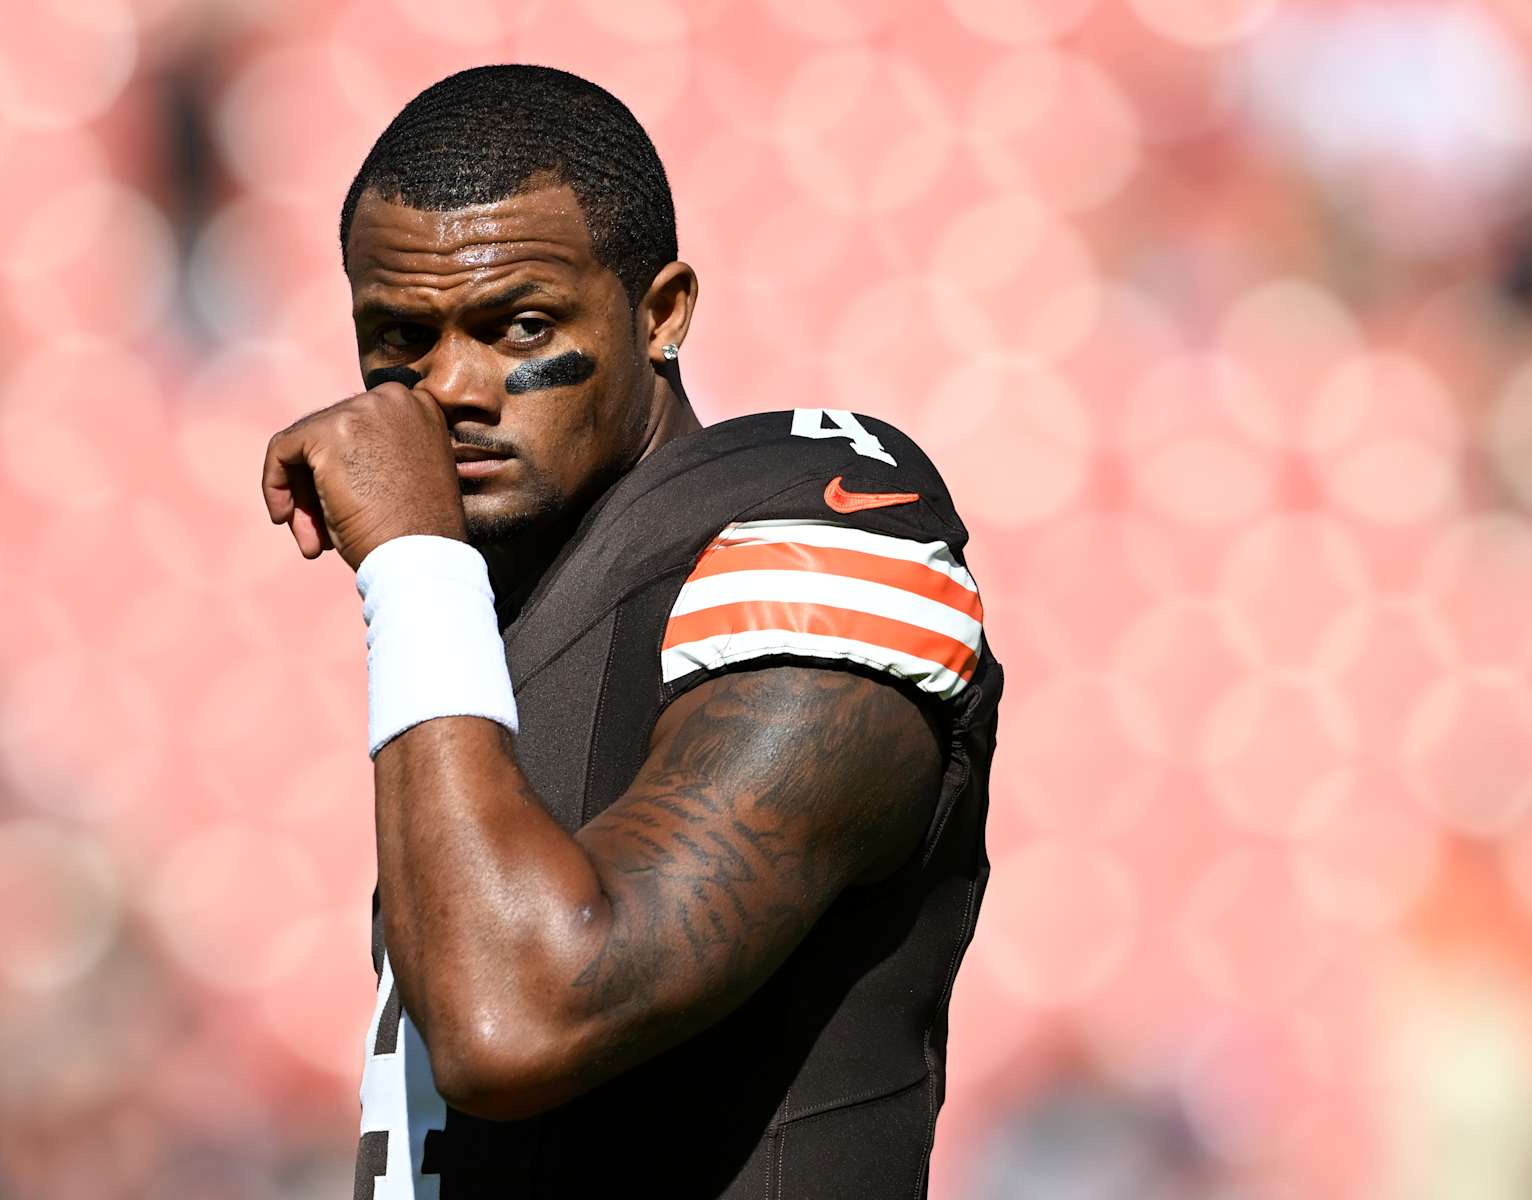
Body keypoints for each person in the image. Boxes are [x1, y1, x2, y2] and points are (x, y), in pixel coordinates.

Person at [258, 65, 1001, 1198]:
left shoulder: (815, 545)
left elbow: (516, 1017)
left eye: (520, 323)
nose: (450, 386)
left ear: (660, 313)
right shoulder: (504, 627)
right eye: (399, 335)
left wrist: (414, 568)